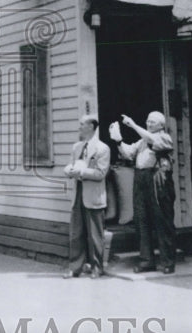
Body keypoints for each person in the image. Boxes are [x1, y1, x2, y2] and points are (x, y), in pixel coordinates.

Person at [109, 111, 176, 274]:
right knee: (141, 219)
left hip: (157, 180)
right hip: (140, 179)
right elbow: (128, 153)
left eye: (152, 122)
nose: (148, 123)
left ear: (161, 125)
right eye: (147, 121)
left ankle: (168, 261)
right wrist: (118, 140)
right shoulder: (141, 141)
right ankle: (147, 260)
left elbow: (153, 140)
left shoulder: (164, 137)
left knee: (162, 221)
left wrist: (132, 124)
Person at [62, 114, 110, 278]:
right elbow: (71, 164)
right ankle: (75, 267)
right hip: (78, 194)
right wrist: (69, 170)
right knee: (76, 233)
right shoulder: (77, 147)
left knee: (95, 234)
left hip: (93, 196)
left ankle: (97, 267)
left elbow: (101, 173)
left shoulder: (102, 148)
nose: (79, 127)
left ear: (91, 126)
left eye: (82, 124)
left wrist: (82, 172)